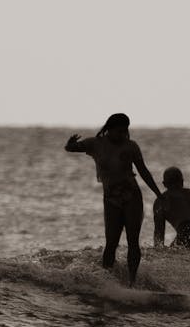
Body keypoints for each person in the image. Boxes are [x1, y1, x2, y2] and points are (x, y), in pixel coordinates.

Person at [65, 113, 162, 287]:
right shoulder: (95, 144)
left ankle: (132, 283)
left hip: (132, 197)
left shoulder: (131, 146)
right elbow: (71, 148)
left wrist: (158, 193)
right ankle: (107, 282)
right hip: (111, 200)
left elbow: (144, 171)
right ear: (109, 129)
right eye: (119, 131)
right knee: (111, 243)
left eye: (125, 131)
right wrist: (69, 143)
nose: (123, 134)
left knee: (133, 241)